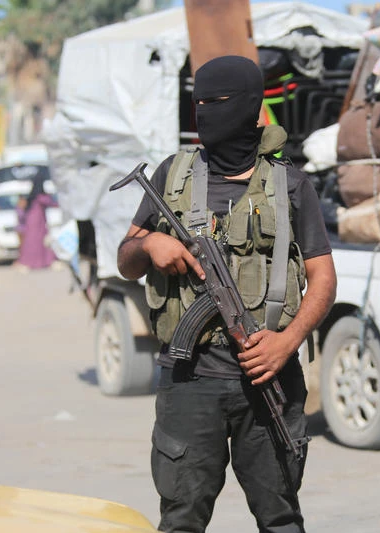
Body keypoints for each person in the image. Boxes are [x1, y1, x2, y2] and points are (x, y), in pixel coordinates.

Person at [117, 55, 337, 533]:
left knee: (280, 518)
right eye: (197, 103)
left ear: (250, 107)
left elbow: (324, 279)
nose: (203, 113)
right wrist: (150, 244)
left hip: (268, 377)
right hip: (189, 381)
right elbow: (125, 257)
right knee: (181, 520)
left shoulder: (290, 185)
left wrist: (288, 341)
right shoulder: (172, 174)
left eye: (215, 103)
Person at [16, 169, 58, 270]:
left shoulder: (33, 197)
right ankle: (39, 262)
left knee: (33, 243)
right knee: (38, 243)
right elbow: (52, 203)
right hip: (37, 224)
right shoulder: (40, 197)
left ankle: (34, 262)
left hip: (32, 224)